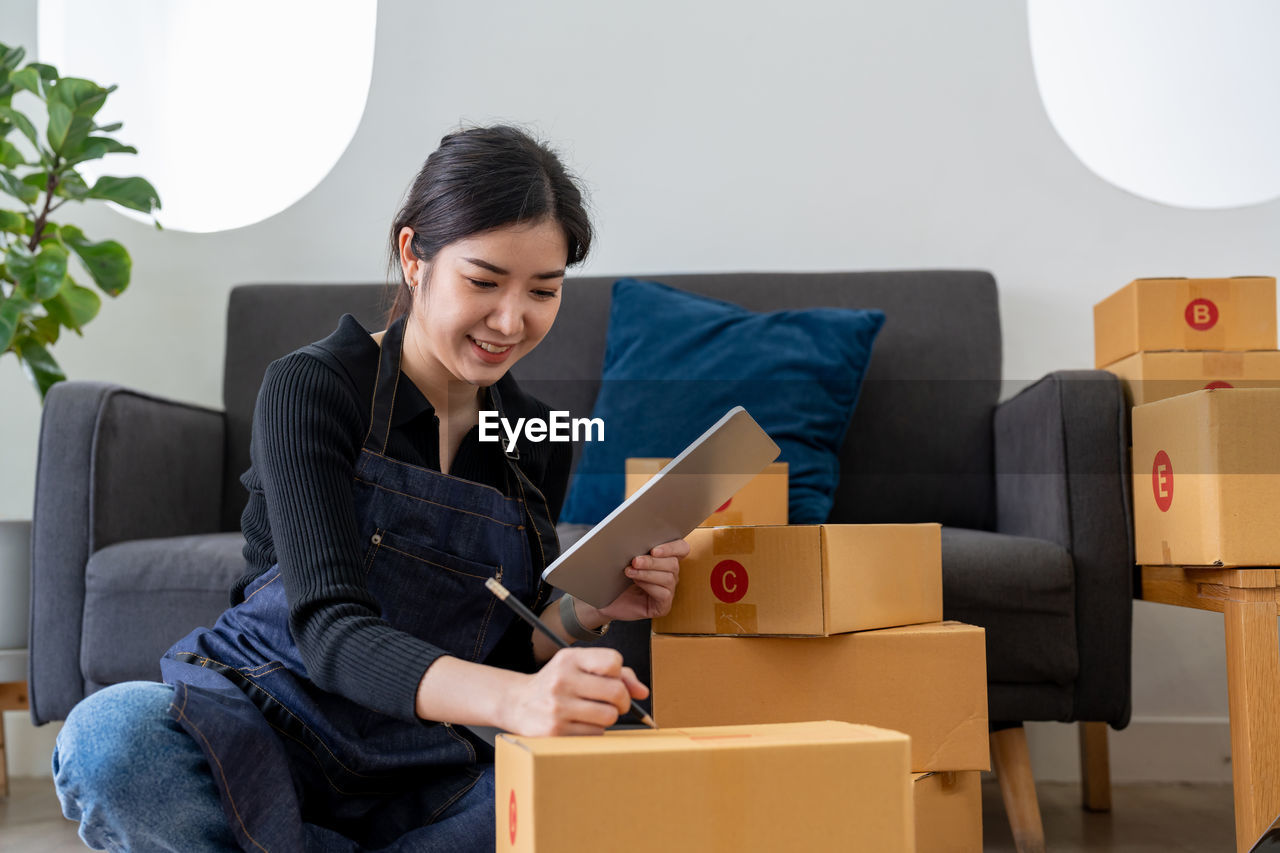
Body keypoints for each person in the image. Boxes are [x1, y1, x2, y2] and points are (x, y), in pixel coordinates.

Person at [51, 125, 688, 852]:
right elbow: (329, 630)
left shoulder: (533, 433)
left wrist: (587, 609)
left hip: (429, 771)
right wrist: (519, 700)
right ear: (414, 254)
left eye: (543, 291)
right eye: (484, 282)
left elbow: (508, 644)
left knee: (599, 786)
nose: (512, 321)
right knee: (112, 738)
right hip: (271, 732)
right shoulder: (313, 388)